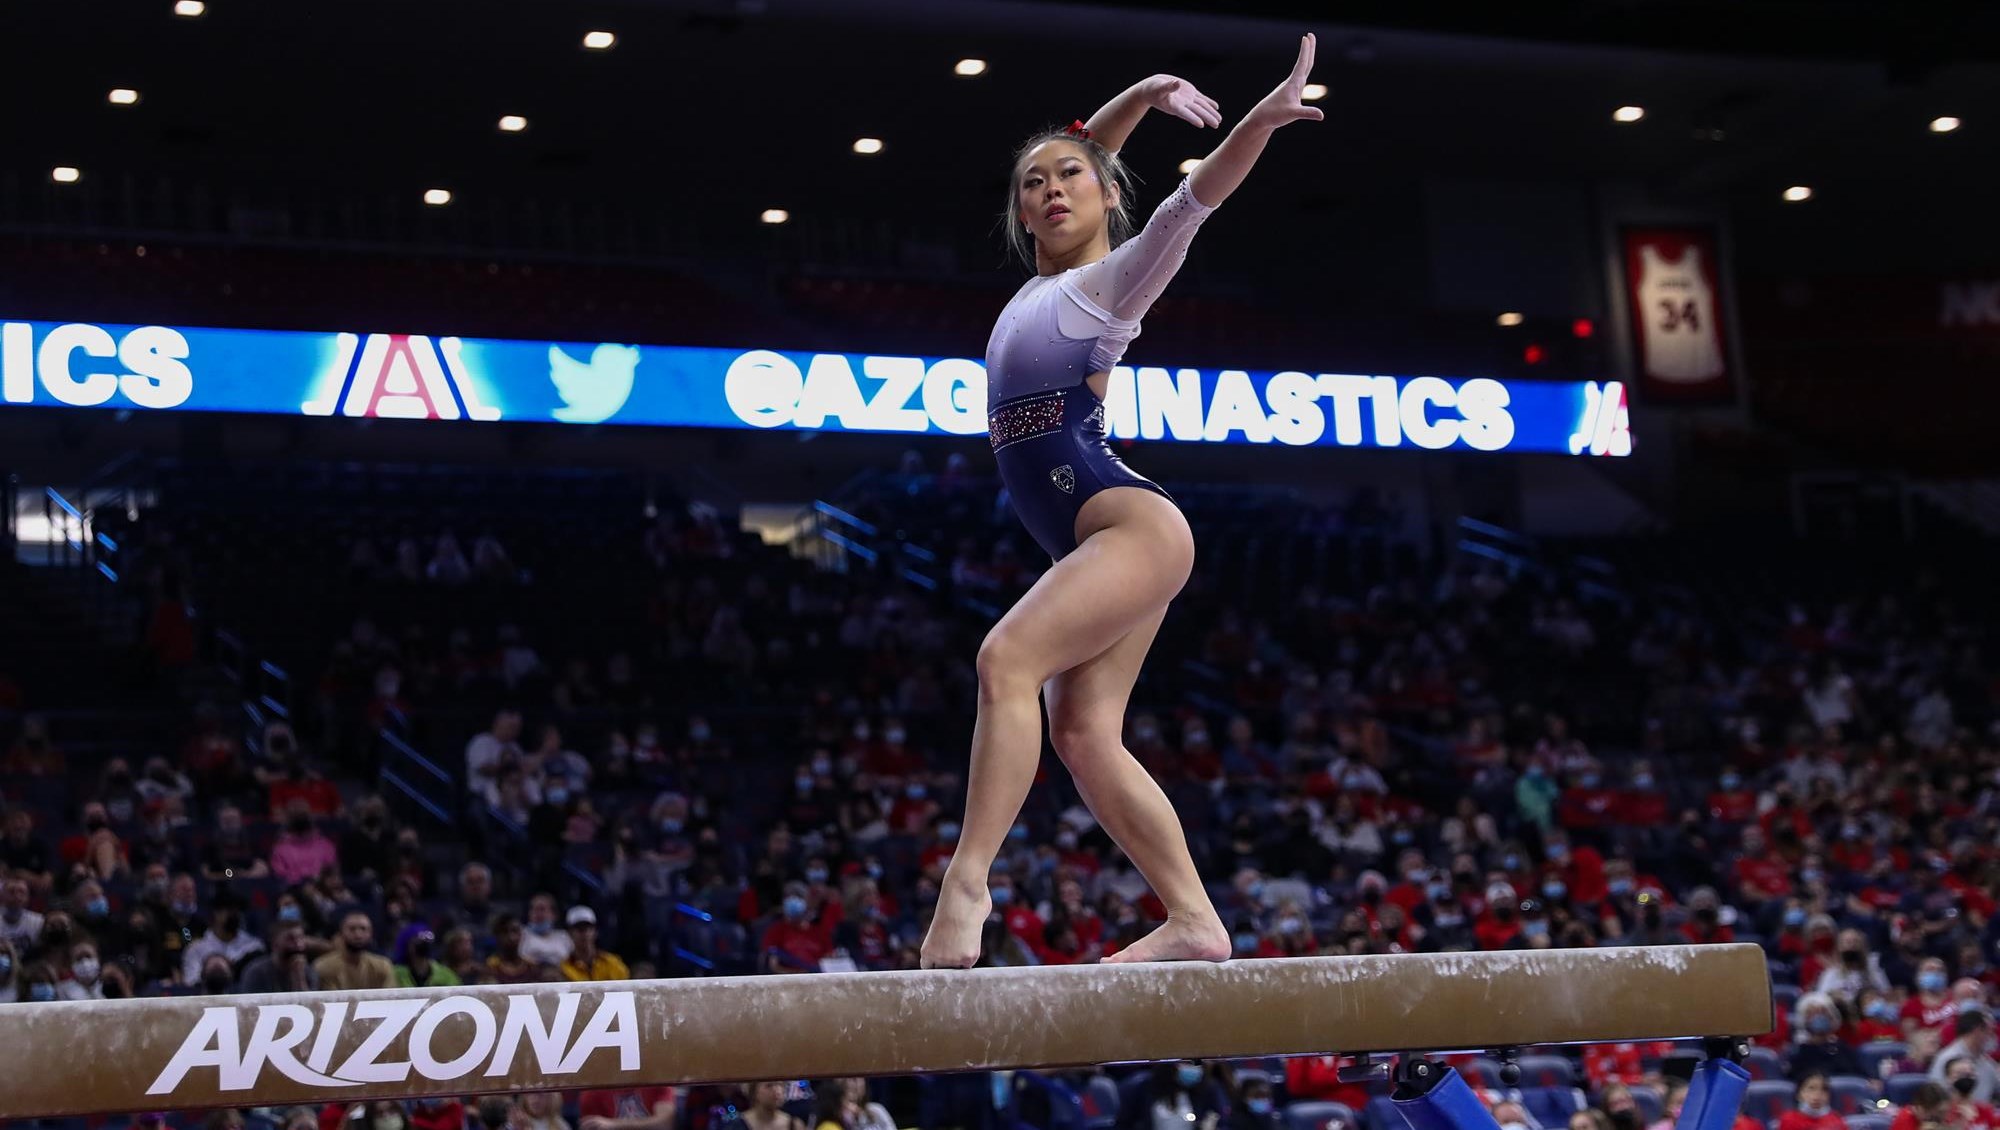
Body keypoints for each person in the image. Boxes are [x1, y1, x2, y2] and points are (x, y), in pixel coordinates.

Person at [925, 37, 1324, 969]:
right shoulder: (1039, 286)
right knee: (1081, 730)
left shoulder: (1115, 281)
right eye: (1032, 183)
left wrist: (1257, 124)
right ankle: (1194, 919)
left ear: (1107, 195)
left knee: (1004, 659)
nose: (1050, 189)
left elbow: (1194, 203)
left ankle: (968, 881)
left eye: (1070, 177)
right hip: (1094, 539)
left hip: (1126, 525)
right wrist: (1142, 92)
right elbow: (1082, 150)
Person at [313, 911, 396, 990]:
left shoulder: (383, 966)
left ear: (371, 933)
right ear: (341, 933)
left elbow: (390, 998)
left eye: (363, 929)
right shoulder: (323, 966)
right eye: (352, 929)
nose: (358, 935)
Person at [1788, 992, 1864, 1079]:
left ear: (1832, 1017)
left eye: (1823, 1012)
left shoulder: (1844, 1049)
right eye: (1812, 1013)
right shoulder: (1799, 1053)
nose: (1818, 1016)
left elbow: (1858, 1076)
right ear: (1804, 1019)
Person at [1931, 1010, 1998, 1103]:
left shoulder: (1988, 1064)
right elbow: (1935, 1097)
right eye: (1989, 1032)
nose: (1992, 1037)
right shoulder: (1945, 1059)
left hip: (1983, 1114)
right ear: (1977, 1031)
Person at [560, 906, 631, 981]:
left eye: (588, 928)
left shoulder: (612, 963)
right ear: (570, 933)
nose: (584, 933)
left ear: (595, 931)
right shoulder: (564, 969)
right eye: (579, 929)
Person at [576, 1083, 675, 1130]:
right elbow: (592, 1125)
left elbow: (664, 1124)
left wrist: (615, 1125)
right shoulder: (593, 1091)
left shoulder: (656, 1082)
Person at [1776, 1074, 1844, 1130]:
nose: (1818, 1095)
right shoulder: (1789, 1120)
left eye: (1824, 1089)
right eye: (1811, 1088)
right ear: (1799, 1094)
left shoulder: (1836, 1119)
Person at [730, 1083, 805, 1130]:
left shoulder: (794, 1125)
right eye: (769, 1086)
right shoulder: (736, 1125)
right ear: (754, 1092)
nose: (777, 1090)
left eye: (780, 1085)